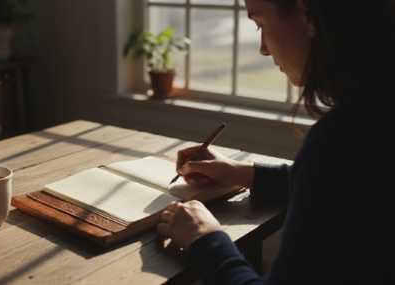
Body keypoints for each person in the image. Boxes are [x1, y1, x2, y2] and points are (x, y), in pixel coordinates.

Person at [156, 0, 395, 284]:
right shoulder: (376, 113)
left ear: (307, 15)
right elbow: (351, 185)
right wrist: (241, 173)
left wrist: (205, 239)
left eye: (260, 23)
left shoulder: (343, 137)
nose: (263, 48)